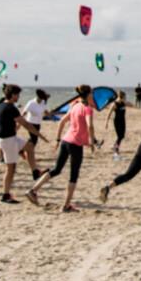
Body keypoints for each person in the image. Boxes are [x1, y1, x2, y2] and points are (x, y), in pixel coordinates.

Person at [28, 85, 96, 213]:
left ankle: (33, 190)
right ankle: (66, 206)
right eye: (92, 93)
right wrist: (91, 142)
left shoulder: (74, 106)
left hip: (66, 141)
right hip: (76, 145)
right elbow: (90, 125)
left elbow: (61, 122)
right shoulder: (87, 109)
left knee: (56, 169)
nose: (93, 95)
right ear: (88, 94)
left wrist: (58, 140)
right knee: (74, 175)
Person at [0, 84, 26, 204]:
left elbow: (12, 127)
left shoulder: (1, 105)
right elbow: (23, 124)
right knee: (10, 169)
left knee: (29, 146)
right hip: (8, 140)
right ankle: (5, 195)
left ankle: (35, 171)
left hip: (4, 139)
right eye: (17, 94)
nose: (18, 97)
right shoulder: (11, 108)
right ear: (13, 95)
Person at [20, 88, 48, 178]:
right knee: (34, 140)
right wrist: (20, 120)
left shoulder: (43, 102)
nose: (41, 100)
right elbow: (24, 112)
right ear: (37, 97)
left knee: (33, 140)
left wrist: (50, 113)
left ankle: (22, 150)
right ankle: (25, 151)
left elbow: (45, 111)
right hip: (30, 123)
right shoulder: (31, 103)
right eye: (40, 98)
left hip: (38, 123)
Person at [107, 92, 128, 157]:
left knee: (122, 136)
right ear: (121, 96)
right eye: (124, 97)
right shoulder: (115, 104)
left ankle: (115, 146)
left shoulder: (123, 103)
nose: (125, 98)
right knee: (120, 136)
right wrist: (106, 122)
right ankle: (116, 149)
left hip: (123, 121)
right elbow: (109, 113)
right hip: (117, 121)